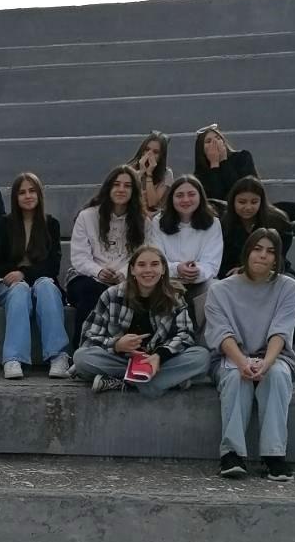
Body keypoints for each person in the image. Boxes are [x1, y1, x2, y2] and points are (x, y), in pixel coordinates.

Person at [205, 228, 295, 481]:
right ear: (247, 252)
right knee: (236, 377)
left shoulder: (288, 287)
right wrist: (242, 362)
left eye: (270, 251)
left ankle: (274, 455)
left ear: (277, 258)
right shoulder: (219, 290)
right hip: (231, 355)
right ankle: (231, 454)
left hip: (274, 355)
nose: (263, 255)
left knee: (277, 375)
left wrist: (266, 363)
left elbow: (281, 331)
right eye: (257, 249)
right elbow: (222, 334)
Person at [71, 245, 210, 396]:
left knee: (201, 357)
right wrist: (116, 345)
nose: (148, 270)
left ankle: (123, 382)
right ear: (132, 270)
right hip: (121, 360)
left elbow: (186, 334)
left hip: (158, 362)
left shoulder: (174, 297)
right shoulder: (112, 295)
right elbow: (88, 337)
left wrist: (160, 355)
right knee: (81, 358)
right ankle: (163, 382)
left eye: (154, 264)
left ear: (163, 269)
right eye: (141, 265)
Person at [0, 173, 71, 380]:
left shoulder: (51, 224)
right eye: (22, 192)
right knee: (20, 290)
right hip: (8, 285)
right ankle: (13, 358)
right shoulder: (3, 225)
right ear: (15, 197)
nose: (28, 196)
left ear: (39, 194)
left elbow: (52, 265)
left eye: (32, 191)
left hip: (41, 282)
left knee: (46, 286)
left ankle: (58, 356)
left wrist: (24, 273)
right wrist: (16, 276)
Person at [65, 165, 147, 347]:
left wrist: (123, 274)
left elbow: (142, 255)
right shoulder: (87, 216)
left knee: (135, 295)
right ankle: (82, 350)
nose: (121, 189)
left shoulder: (142, 222)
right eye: (116, 184)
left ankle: (126, 351)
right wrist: (99, 271)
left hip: (126, 279)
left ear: (134, 191)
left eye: (127, 185)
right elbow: (79, 257)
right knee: (93, 291)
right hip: (86, 276)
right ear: (108, 187)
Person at [147, 174, 223, 328]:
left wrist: (197, 271)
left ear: (200, 196)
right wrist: (177, 269)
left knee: (216, 289)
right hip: (167, 281)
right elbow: (155, 258)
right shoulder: (158, 222)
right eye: (180, 195)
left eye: (191, 194)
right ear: (172, 198)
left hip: (200, 281)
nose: (186, 200)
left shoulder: (213, 223)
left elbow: (212, 263)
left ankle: (204, 338)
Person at [219, 177, 295, 280]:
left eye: (254, 202)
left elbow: (279, 256)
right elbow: (224, 260)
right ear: (233, 201)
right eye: (242, 202)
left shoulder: (277, 221)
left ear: (261, 201)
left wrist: (248, 269)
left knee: (292, 283)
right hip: (234, 272)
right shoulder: (225, 223)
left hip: (274, 270)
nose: (248, 207)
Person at [193, 124, 258, 213]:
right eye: (208, 141)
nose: (215, 143)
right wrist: (214, 164)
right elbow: (216, 199)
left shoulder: (242, 158)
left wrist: (224, 161)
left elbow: (239, 189)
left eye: (218, 138)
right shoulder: (200, 175)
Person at [129, 131, 173, 214]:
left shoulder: (167, 174)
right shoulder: (130, 169)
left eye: (155, 152)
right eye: (147, 149)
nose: (149, 154)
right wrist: (141, 172)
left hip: (155, 217)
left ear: (161, 156)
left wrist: (149, 174)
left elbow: (152, 203)